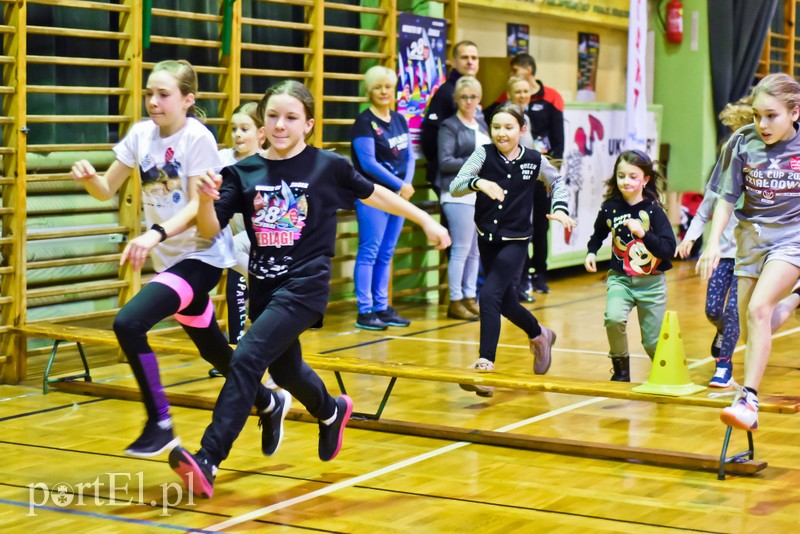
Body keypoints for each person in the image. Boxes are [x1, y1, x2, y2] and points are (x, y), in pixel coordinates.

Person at [168, 80, 450, 499]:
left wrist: (424, 220)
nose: (280, 125)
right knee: (285, 370)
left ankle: (208, 459)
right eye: (273, 116)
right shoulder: (242, 173)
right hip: (264, 285)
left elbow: (377, 195)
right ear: (262, 123)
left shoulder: (326, 166)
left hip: (306, 285)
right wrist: (207, 200)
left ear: (308, 125)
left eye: (291, 117)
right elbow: (210, 230)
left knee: (246, 357)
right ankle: (330, 410)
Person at [70, 60, 276, 458]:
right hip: (169, 261)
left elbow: (200, 207)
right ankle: (267, 400)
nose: (153, 101)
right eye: (150, 93)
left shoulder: (196, 138)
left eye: (163, 94)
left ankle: (160, 423)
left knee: (128, 323)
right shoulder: (140, 135)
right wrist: (90, 179)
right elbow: (107, 189)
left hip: (201, 256)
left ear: (187, 100)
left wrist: (155, 233)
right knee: (213, 349)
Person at [450, 103, 575, 397]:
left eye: (508, 127)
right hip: (487, 239)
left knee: (488, 295)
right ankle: (540, 334)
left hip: (516, 241)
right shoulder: (483, 154)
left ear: (522, 129)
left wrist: (560, 208)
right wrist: (478, 183)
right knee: (505, 304)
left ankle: (485, 366)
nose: (501, 133)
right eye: (496, 127)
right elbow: (456, 186)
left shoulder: (534, 159)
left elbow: (557, 182)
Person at [698, 73, 800, 431]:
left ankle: (748, 399)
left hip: (792, 239)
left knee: (758, 308)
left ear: (794, 112)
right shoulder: (742, 142)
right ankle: (795, 300)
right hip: (751, 240)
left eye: (772, 116)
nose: (762, 124)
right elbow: (726, 198)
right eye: (757, 115)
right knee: (751, 325)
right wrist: (712, 242)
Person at [675, 96, 753, 388]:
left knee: (734, 310)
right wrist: (689, 238)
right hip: (721, 257)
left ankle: (724, 365)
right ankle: (721, 331)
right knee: (713, 310)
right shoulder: (719, 186)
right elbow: (701, 214)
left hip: (748, 259)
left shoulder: (757, 185)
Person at [585, 150, 676, 382]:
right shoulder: (610, 208)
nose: (626, 181)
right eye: (621, 176)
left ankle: (666, 374)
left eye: (633, 177)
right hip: (621, 279)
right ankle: (621, 370)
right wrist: (591, 252)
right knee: (613, 319)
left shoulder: (654, 211)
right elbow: (598, 233)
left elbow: (668, 249)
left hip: (651, 284)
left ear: (645, 180)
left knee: (652, 341)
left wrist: (643, 233)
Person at [351, 66, 415, 330]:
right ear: (369, 91)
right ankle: (365, 310)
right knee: (370, 251)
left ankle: (382, 306)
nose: (384, 91)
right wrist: (399, 184)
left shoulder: (399, 119)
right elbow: (368, 163)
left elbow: (410, 156)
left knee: (386, 253)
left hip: (398, 196)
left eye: (388, 86)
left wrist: (406, 185)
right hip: (373, 195)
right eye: (378, 87)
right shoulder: (363, 122)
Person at [436, 76, 488, 321]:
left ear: (479, 99)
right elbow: (445, 162)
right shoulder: (449, 126)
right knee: (461, 249)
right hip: (457, 194)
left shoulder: (482, 124)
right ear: (456, 99)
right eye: (464, 97)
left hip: (479, 194)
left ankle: (470, 297)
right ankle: (455, 300)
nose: (468, 101)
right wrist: (477, 164)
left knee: (475, 251)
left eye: (473, 97)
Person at [420, 40, 479, 193]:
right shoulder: (446, 93)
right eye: (464, 57)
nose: (470, 62)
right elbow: (429, 139)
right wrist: (440, 163)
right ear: (453, 61)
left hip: (467, 174)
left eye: (474, 58)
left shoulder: (472, 90)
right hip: (447, 176)